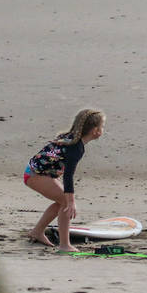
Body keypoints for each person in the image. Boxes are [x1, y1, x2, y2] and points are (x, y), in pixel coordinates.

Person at [25, 108, 106, 252]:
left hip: (37, 173)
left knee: (61, 201)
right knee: (65, 203)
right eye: (102, 126)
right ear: (95, 131)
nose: (103, 129)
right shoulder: (76, 148)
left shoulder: (71, 139)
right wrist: (71, 201)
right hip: (35, 174)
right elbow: (68, 176)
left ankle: (37, 232)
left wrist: (69, 200)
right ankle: (64, 245)